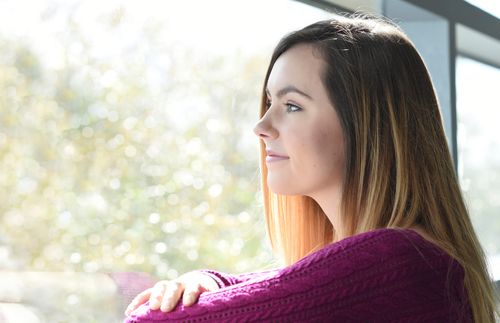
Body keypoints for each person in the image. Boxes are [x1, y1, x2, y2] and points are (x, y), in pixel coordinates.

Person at [123, 13, 499, 322]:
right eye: (270, 102)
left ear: (368, 128)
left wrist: (199, 295)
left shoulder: (399, 260)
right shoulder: (418, 258)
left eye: (292, 106)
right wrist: (210, 282)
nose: (261, 127)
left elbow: (146, 322)